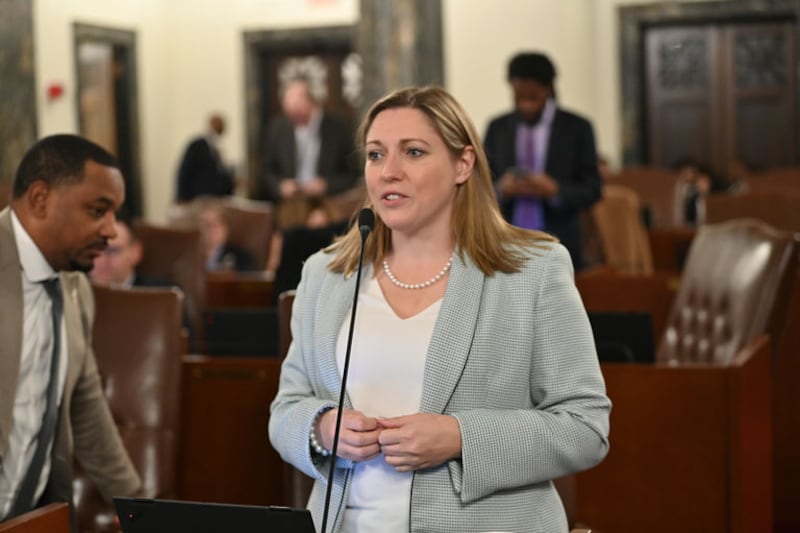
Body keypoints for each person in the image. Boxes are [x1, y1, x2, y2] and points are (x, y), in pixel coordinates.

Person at [269, 86, 611, 533]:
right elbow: (286, 408)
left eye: (413, 152)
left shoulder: (533, 271)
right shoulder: (326, 275)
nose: (389, 172)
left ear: (463, 164)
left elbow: (585, 426)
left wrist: (460, 437)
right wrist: (320, 429)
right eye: (375, 155)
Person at [0, 134, 141, 526]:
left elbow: (86, 404)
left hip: (35, 517)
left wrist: (140, 508)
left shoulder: (76, 287)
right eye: (98, 210)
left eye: (114, 213)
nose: (112, 230)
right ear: (41, 199)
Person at [484, 52, 602, 271]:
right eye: (521, 98)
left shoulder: (577, 128)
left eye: (533, 98)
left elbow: (593, 189)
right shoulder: (497, 128)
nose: (527, 106)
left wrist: (555, 190)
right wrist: (501, 188)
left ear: (548, 89)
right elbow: (480, 184)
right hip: (507, 241)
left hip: (560, 241)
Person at [259, 79, 359, 226]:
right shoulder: (278, 128)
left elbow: (352, 174)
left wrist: (326, 185)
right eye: (290, 114)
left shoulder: (338, 128)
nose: (294, 119)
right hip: (291, 205)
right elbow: (266, 171)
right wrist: (280, 186)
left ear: (311, 103)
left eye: (297, 113)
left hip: (329, 203)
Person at [89, 217, 173, 287]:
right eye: (96, 249)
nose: (102, 259)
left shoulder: (163, 295)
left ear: (136, 252)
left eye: (112, 251)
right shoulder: (77, 291)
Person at [175, 113, 236, 202]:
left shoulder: (218, 149)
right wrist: (180, 196)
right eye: (219, 123)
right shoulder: (197, 145)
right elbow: (184, 170)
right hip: (201, 198)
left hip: (217, 198)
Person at [197, 200, 257, 272]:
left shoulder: (242, 259)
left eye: (218, 222)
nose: (213, 228)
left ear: (226, 227)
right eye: (205, 223)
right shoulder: (185, 258)